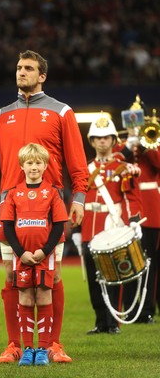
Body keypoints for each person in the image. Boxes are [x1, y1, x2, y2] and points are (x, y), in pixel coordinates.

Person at [0, 50, 88, 363]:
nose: (21, 72)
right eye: (19, 68)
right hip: (10, 207)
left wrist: (79, 199)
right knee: (11, 276)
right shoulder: (2, 114)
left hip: (50, 208)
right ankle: (14, 346)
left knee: (54, 276)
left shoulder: (61, 111)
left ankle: (53, 345)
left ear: (42, 76)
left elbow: (77, 161)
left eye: (28, 68)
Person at [72, 115, 143, 334]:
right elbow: (78, 199)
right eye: (97, 138)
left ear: (113, 140)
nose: (102, 142)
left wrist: (134, 221)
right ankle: (100, 322)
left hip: (112, 228)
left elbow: (131, 196)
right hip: (88, 230)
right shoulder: (84, 169)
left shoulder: (123, 168)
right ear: (91, 141)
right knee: (94, 280)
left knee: (114, 277)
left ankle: (113, 323)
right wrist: (76, 229)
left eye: (106, 138)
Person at [1, 143, 69, 366]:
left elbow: (59, 225)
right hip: (22, 256)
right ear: (21, 165)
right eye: (29, 163)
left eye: (38, 163)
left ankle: (43, 348)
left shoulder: (51, 193)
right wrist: (20, 253)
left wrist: (44, 251)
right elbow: (8, 227)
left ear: (46, 165)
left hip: (44, 256)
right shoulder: (13, 194)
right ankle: (28, 348)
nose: (34, 167)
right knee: (25, 298)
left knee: (43, 297)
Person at [118, 100, 160, 323]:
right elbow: (115, 165)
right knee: (128, 263)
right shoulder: (121, 145)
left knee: (149, 262)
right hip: (128, 211)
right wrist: (131, 143)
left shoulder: (153, 141)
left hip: (151, 211)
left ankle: (146, 310)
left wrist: (146, 143)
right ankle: (130, 308)